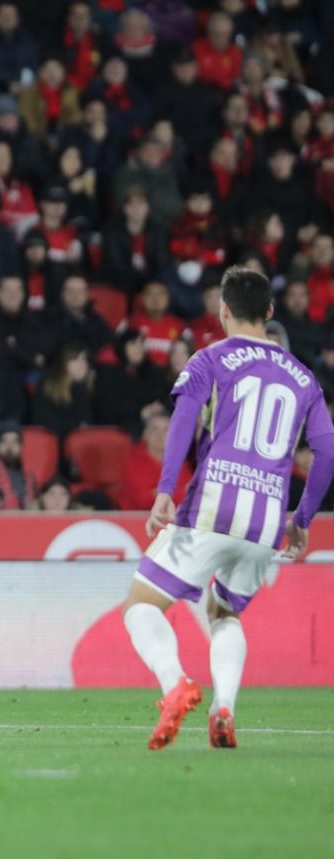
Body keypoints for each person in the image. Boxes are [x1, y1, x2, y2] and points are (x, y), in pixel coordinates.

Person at [123, 267, 334, 751]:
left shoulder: (210, 358)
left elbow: (181, 420)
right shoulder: (304, 377)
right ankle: (224, 709)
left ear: (223, 310)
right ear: (271, 313)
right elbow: (327, 450)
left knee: (141, 605)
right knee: (223, 613)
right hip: (265, 523)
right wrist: (301, 520)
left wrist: (163, 489)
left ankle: (176, 685)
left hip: (213, 509)